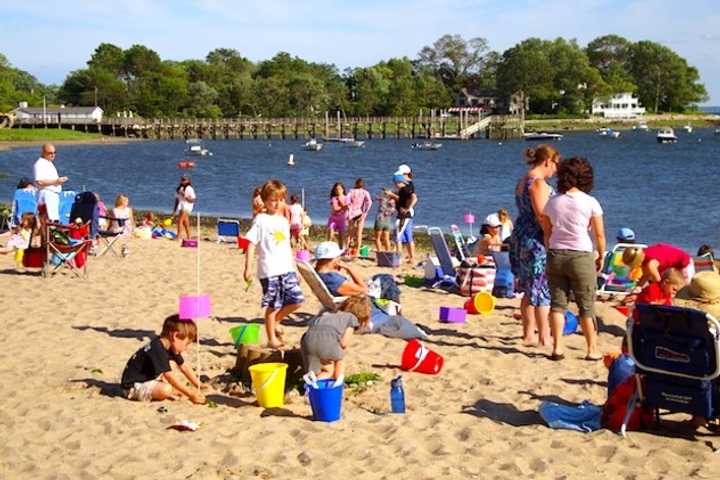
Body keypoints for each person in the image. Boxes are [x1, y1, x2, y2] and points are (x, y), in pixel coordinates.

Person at [541, 157, 606, 361]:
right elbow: (599, 235)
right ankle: (591, 348)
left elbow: (547, 231)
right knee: (586, 304)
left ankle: (558, 347)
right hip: (581, 254)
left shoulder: (552, 201)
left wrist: (550, 248)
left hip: (556, 253)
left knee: (557, 304)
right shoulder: (590, 202)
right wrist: (601, 254)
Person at [243, 179, 305, 349]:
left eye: (280, 199)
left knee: (297, 300)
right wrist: (248, 267)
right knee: (273, 304)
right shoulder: (260, 220)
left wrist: (295, 268)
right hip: (269, 270)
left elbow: (287, 247)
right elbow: (250, 243)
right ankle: (272, 338)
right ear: (264, 200)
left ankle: (275, 320)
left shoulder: (283, 221)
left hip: (286, 268)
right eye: (273, 200)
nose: (277, 203)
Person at [509, 145, 558, 347]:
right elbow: (541, 216)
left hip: (521, 234)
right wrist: (550, 238)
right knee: (541, 289)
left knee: (529, 289)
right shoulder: (537, 183)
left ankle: (528, 334)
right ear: (547, 161)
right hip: (534, 239)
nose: (555, 169)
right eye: (555, 164)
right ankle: (543, 336)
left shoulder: (522, 180)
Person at [120, 314, 206, 404]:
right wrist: (190, 394)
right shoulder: (157, 348)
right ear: (175, 336)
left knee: (172, 364)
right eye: (186, 344)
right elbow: (169, 377)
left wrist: (198, 384)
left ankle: (172, 389)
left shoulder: (169, 344)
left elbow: (183, 366)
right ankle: (172, 391)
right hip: (132, 387)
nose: (186, 348)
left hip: (148, 377)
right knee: (166, 389)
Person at [300, 295, 371, 379]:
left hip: (307, 340)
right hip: (325, 343)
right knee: (333, 365)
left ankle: (314, 380)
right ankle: (337, 381)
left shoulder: (327, 314)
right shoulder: (351, 318)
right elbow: (344, 343)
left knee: (320, 368)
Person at [384, 173, 417, 265]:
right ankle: (412, 258)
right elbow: (401, 199)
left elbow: (414, 198)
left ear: (399, 182)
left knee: (397, 236)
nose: (395, 185)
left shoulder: (404, 189)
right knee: (408, 238)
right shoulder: (403, 190)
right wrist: (392, 195)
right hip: (406, 216)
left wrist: (408, 208)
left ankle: (398, 258)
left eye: (395, 183)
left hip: (404, 216)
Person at [623, 243, 692, 286]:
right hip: (672, 266)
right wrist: (637, 288)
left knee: (686, 287)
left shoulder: (650, 264)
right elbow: (645, 276)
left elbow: (657, 280)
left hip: (684, 263)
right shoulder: (644, 256)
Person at [33, 143, 68, 222]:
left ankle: (51, 232)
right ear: (43, 152)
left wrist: (58, 182)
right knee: (50, 220)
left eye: (54, 153)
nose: (53, 155)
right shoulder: (40, 164)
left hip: (53, 194)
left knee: (54, 219)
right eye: (50, 153)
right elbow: (39, 181)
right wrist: (56, 181)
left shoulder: (49, 163)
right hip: (46, 194)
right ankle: (48, 233)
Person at [346, 178, 373, 256]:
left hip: (352, 214)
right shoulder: (365, 192)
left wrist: (349, 208)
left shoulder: (351, 191)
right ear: (363, 185)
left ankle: (348, 250)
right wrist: (365, 212)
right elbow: (369, 202)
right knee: (359, 234)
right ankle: (357, 252)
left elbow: (347, 201)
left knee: (350, 233)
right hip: (360, 213)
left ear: (355, 184)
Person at [173, 175, 196, 241]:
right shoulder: (179, 188)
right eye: (182, 179)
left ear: (188, 181)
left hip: (187, 206)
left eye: (184, 180)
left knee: (180, 221)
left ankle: (178, 236)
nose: (183, 181)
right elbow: (177, 199)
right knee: (185, 222)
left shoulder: (189, 188)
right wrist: (174, 209)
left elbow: (193, 200)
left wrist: (185, 195)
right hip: (181, 206)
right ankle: (189, 237)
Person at [374, 188, 395, 253]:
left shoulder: (383, 199)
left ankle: (380, 253)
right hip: (388, 221)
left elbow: (375, 197)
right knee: (386, 239)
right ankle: (388, 252)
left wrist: (383, 193)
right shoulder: (393, 202)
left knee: (377, 238)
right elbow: (392, 212)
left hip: (380, 220)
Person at [327, 182, 349, 249]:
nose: (338, 191)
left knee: (341, 237)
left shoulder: (346, 198)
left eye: (339, 189)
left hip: (342, 219)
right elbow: (335, 209)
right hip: (333, 219)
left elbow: (346, 208)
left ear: (343, 189)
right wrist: (342, 207)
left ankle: (341, 250)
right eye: (336, 189)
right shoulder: (334, 198)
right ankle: (328, 248)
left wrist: (341, 202)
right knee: (330, 234)